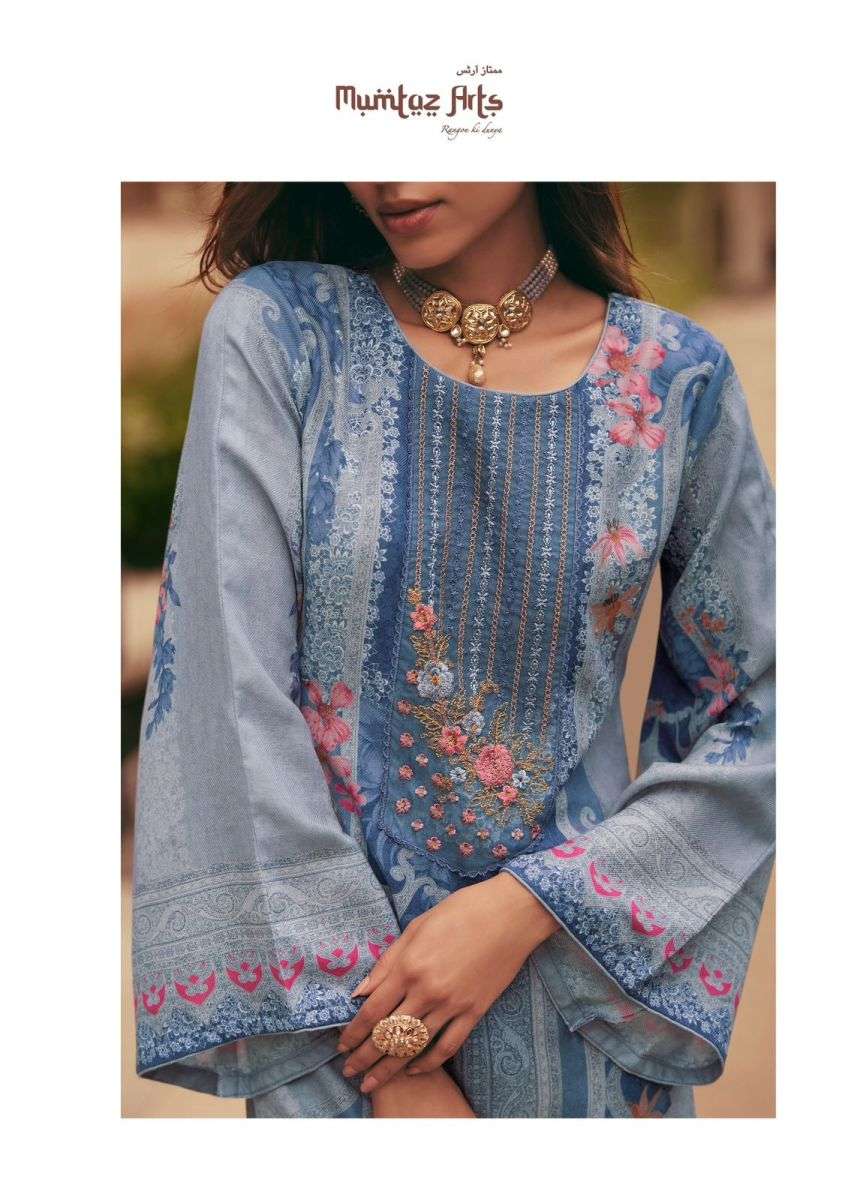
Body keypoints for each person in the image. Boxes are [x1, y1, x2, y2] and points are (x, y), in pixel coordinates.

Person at [131, 182, 775, 1118]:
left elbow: (763, 702)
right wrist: (394, 1069)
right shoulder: (283, 332)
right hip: (336, 1030)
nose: (389, 178)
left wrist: (527, 908)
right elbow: (225, 688)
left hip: (583, 1009)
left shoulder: (675, 378)